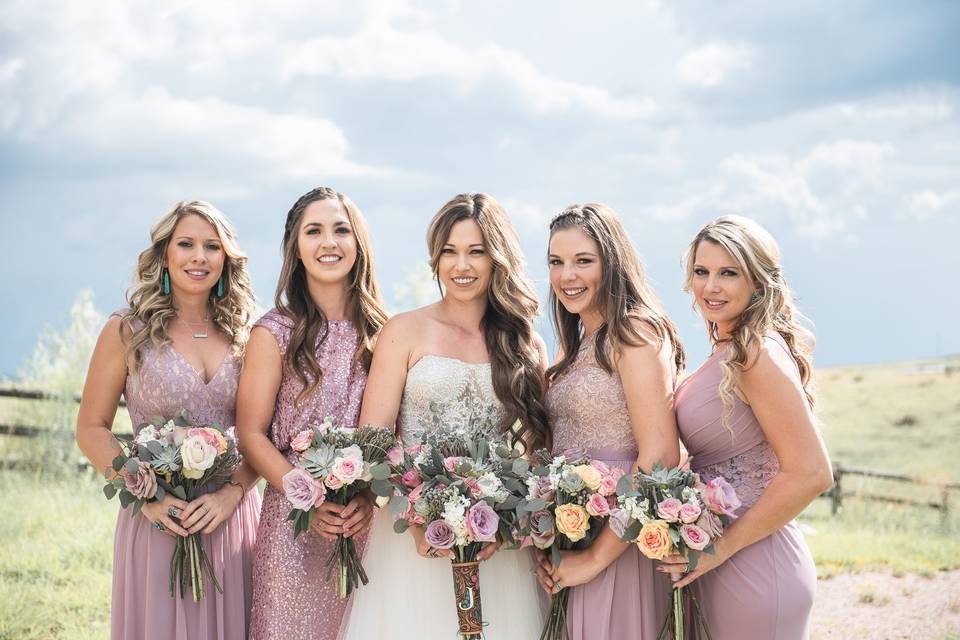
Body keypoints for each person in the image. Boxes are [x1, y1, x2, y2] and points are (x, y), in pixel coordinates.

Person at [338, 193, 549, 640]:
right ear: (435, 257)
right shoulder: (404, 330)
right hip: (411, 544)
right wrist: (417, 519)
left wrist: (505, 524)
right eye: (449, 252)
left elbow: (533, 454)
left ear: (498, 259)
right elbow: (373, 443)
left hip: (496, 541)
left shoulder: (524, 344)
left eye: (476, 251)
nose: (462, 265)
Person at [76, 200, 261, 639]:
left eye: (212, 246)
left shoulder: (249, 333)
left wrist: (232, 496)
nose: (200, 256)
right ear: (164, 255)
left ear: (226, 259)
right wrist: (147, 498)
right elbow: (91, 427)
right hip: (159, 517)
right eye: (186, 244)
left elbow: (262, 433)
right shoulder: (127, 330)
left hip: (229, 518)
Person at [659, 214, 833, 638]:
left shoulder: (756, 353)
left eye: (728, 273)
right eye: (701, 272)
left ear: (757, 281)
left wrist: (720, 549)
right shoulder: (731, 347)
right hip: (721, 558)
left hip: (755, 562)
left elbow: (811, 472)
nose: (711, 286)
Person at [238, 187, 388, 640]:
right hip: (292, 524)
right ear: (296, 246)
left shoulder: (384, 333)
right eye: (314, 231)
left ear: (358, 243)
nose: (329, 243)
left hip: (362, 526)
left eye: (342, 230)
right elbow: (251, 433)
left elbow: (391, 434)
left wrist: (367, 498)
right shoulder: (274, 332)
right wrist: (307, 494)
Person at [533, 203, 681, 639]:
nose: (567, 276)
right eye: (556, 263)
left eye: (583, 261)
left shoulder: (635, 334)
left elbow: (659, 456)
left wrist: (596, 557)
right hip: (570, 543)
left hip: (620, 546)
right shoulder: (573, 347)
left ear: (612, 263)